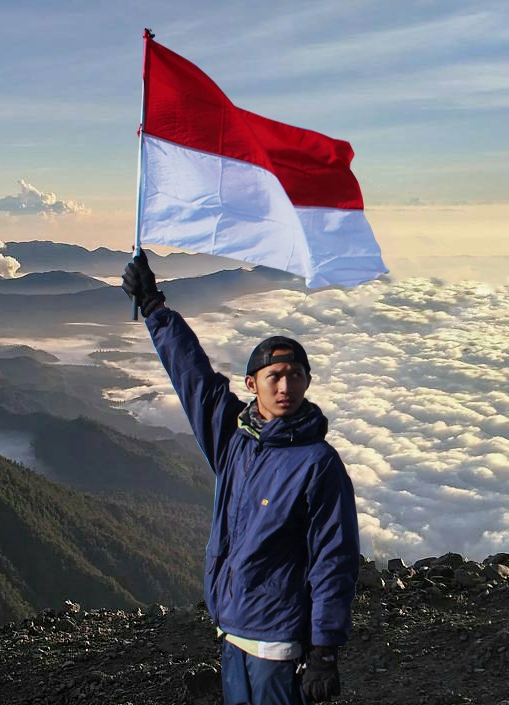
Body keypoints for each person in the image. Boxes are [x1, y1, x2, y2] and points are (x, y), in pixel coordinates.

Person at [122, 251, 360, 705]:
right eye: (274, 376)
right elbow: (194, 378)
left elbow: (335, 557)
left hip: (281, 646)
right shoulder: (234, 441)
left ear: (308, 381)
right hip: (232, 633)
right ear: (252, 385)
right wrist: (154, 307)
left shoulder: (318, 463)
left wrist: (325, 651)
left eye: (295, 376)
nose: (285, 387)